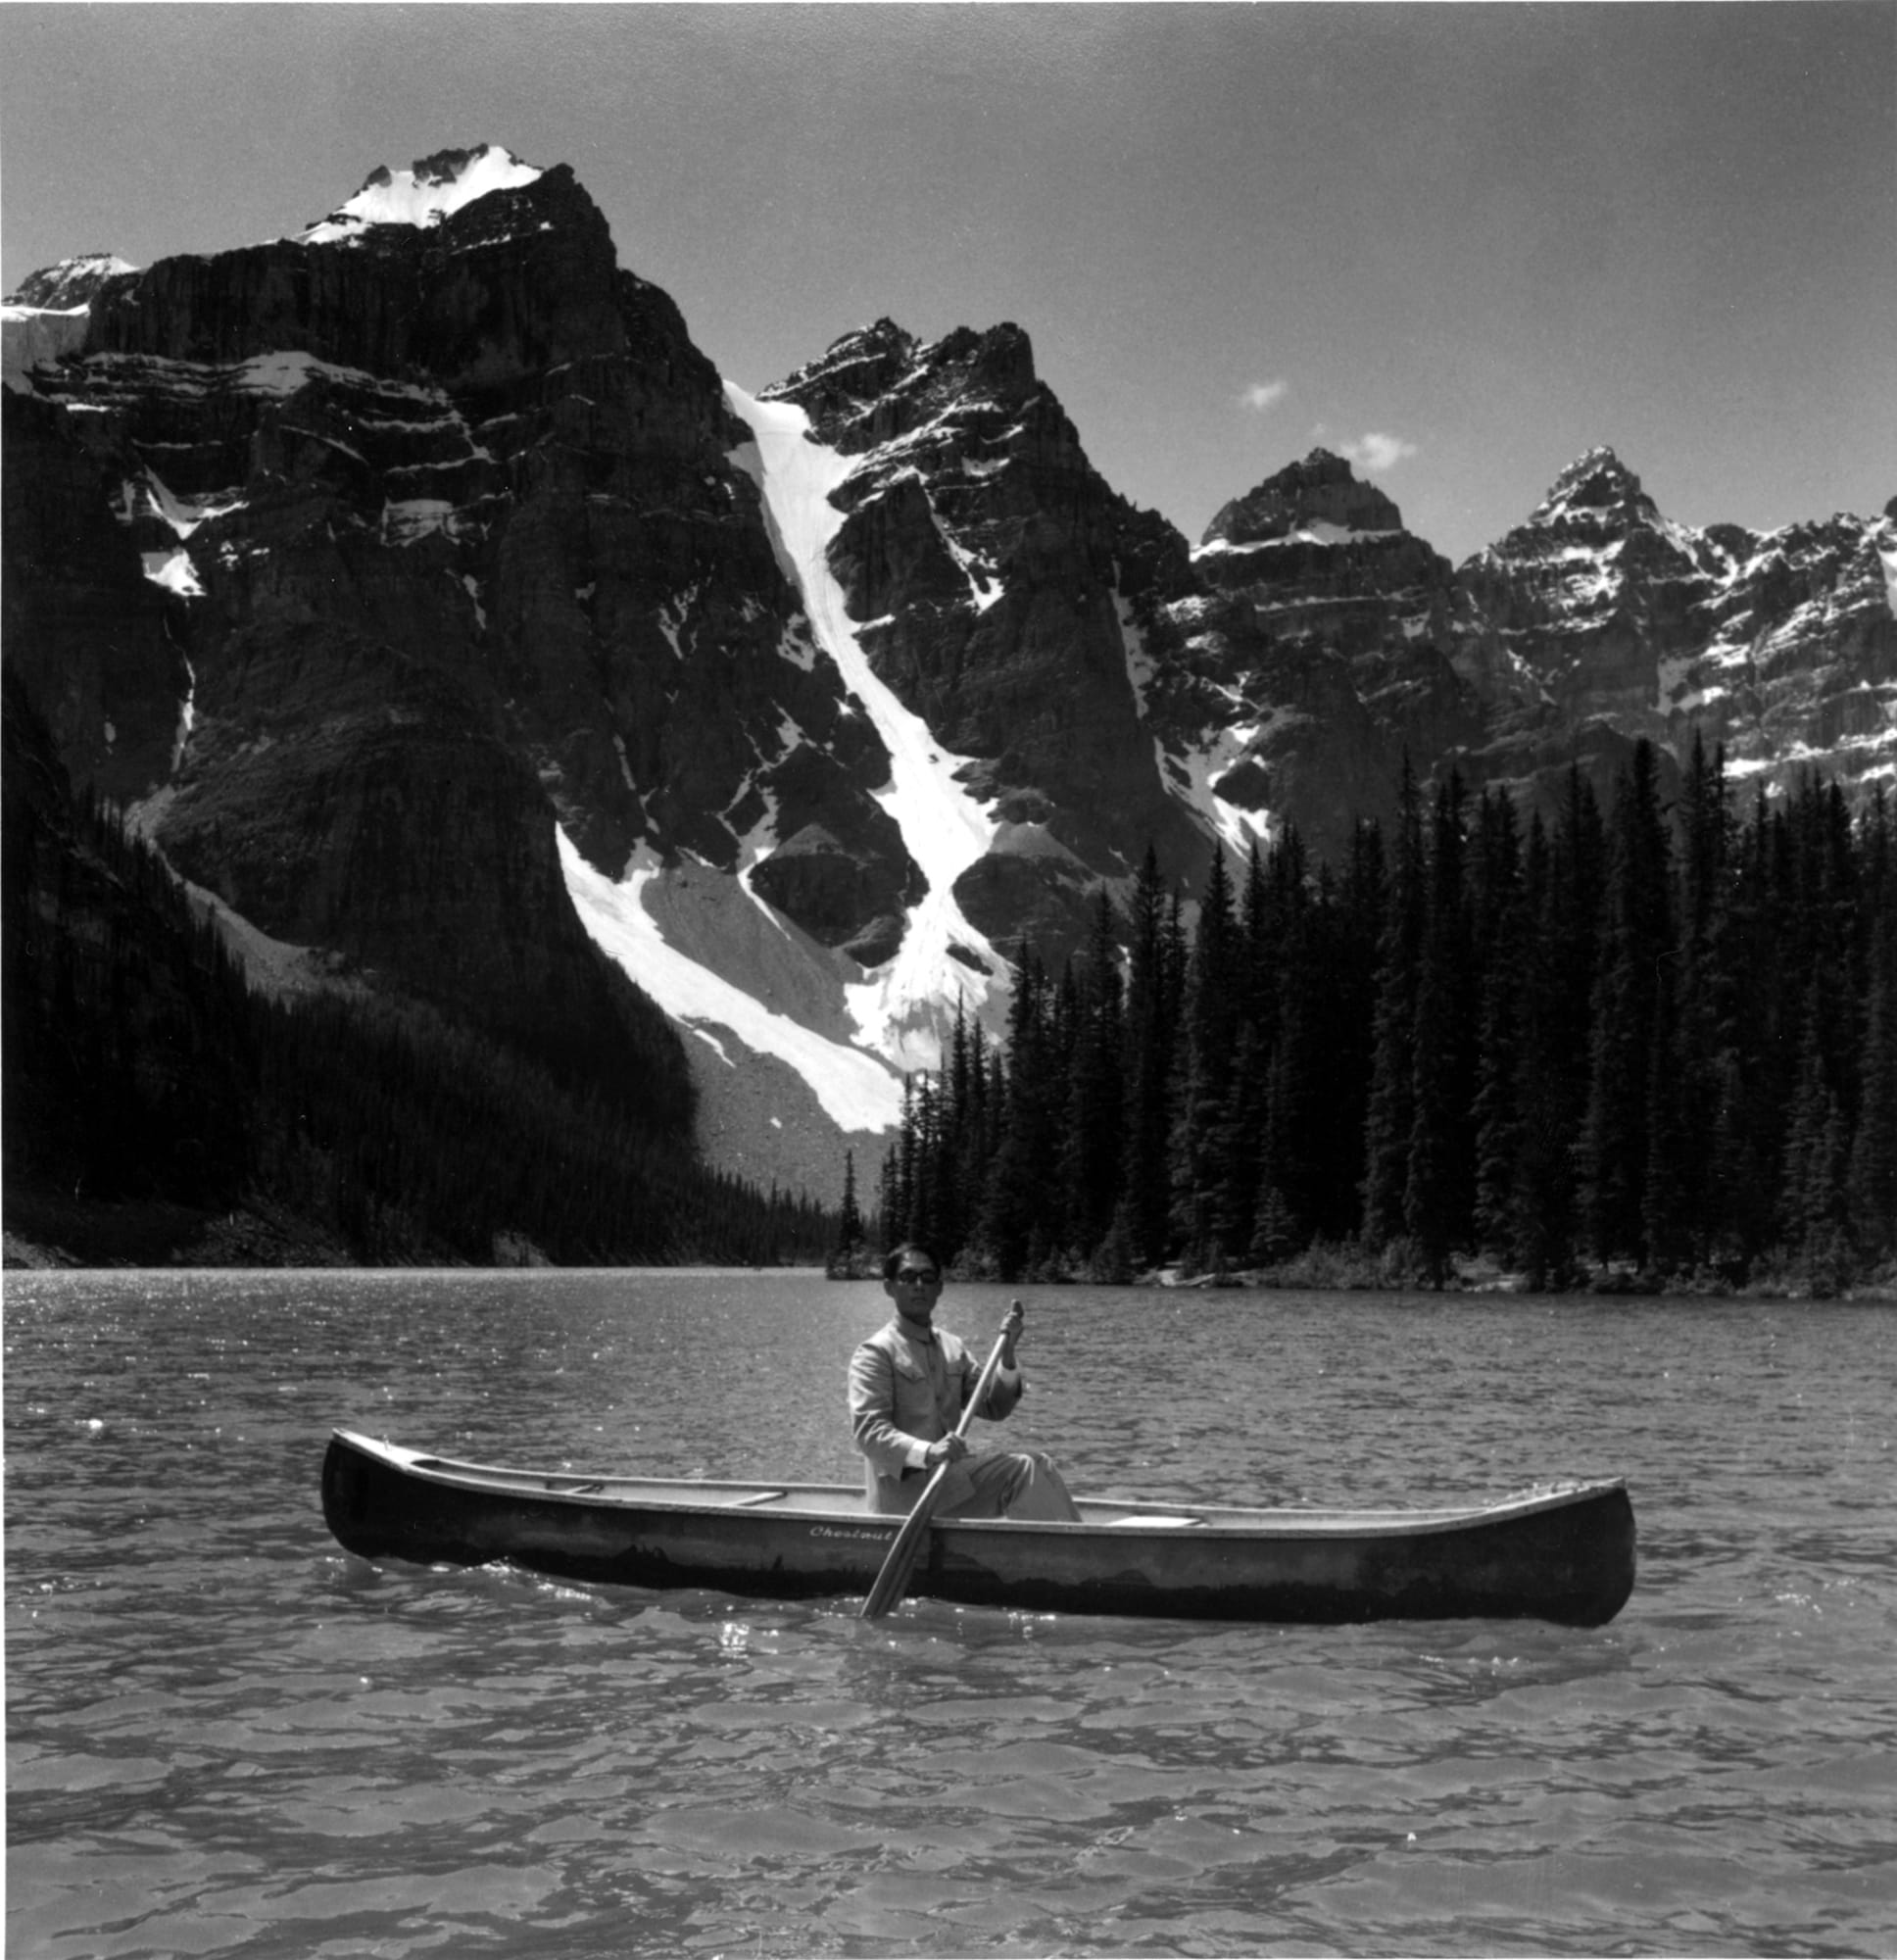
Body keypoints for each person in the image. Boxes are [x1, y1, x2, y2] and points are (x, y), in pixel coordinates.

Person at [848, 1242, 1082, 1521]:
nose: (919, 1285)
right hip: (905, 1498)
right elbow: (869, 1433)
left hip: (950, 1484)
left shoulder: (952, 1347)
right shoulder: (875, 1353)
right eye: (908, 1277)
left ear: (939, 1287)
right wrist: (928, 1451)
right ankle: (1075, 1555)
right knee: (1021, 1471)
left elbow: (994, 1407)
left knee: (1040, 1464)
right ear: (890, 1287)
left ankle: (1077, 1548)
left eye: (928, 1277)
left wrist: (1008, 1354)